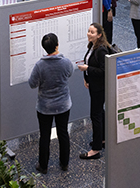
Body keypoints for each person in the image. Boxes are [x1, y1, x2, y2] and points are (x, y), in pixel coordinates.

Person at [28, 33, 74, 174]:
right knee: (63, 133)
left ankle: (43, 166)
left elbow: (32, 84)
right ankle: (64, 163)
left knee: (45, 136)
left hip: (45, 107)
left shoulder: (40, 66)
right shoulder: (66, 62)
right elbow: (70, 73)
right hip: (63, 105)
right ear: (57, 45)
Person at [78, 22, 111, 160]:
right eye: (88, 31)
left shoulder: (101, 50)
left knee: (95, 115)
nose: (89, 34)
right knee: (99, 112)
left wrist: (87, 70)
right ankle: (102, 139)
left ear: (99, 35)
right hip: (94, 85)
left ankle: (96, 149)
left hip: (99, 88)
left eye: (92, 32)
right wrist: (86, 78)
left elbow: (104, 70)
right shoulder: (92, 46)